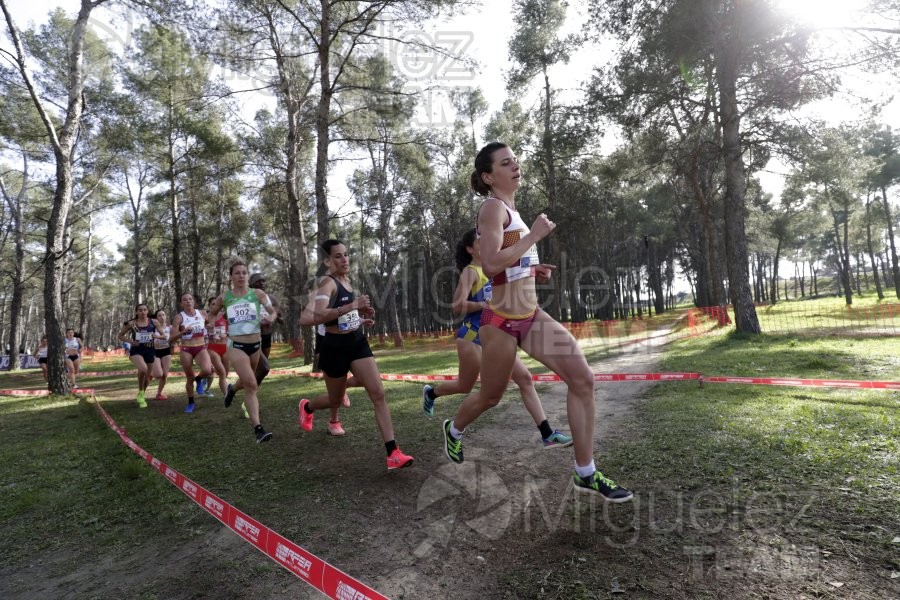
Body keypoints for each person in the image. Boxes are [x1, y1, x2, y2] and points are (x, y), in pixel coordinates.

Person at [441, 142, 632, 502]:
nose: (515, 166)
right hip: (498, 323)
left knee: (582, 378)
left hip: (530, 316)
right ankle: (455, 427)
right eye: (505, 163)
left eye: (515, 160)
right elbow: (491, 265)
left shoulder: (513, 210)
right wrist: (534, 236)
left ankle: (585, 472)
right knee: (490, 396)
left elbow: (506, 267)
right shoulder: (492, 208)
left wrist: (532, 267)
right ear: (488, 176)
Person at [423, 229, 573, 450]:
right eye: (480, 241)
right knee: (466, 386)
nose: (487, 243)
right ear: (470, 249)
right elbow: (456, 306)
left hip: (497, 333)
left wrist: (534, 273)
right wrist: (484, 304)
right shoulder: (471, 272)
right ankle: (432, 394)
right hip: (472, 335)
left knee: (525, 378)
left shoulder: (495, 269)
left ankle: (547, 433)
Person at [299, 239, 413, 470]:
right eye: (338, 256)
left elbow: (340, 318)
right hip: (334, 348)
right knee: (335, 399)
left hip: (356, 342)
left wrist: (359, 316)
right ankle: (308, 407)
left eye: (346, 255)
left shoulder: (348, 282)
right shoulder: (326, 284)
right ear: (327, 261)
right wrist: (352, 306)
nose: (345, 259)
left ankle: (393, 452)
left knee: (378, 392)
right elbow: (316, 316)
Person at [207, 257, 278, 443]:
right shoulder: (225, 297)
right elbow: (211, 314)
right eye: (237, 273)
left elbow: (273, 312)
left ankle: (231, 389)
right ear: (231, 276)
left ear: (247, 276)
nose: (241, 276)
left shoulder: (258, 294)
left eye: (244, 273)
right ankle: (258, 429)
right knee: (252, 385)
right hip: (236, 346)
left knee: (247, 382)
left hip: (255, 345)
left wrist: (269, 320)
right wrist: (212, 326)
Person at [221, 273, 275, 408]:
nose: (262, 283)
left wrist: (272, 318)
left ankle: (233, 389)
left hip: (266, 338)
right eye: (258, 281)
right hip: (249, 339)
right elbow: (226, 315)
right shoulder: (245, 297)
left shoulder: (269, 298)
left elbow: (277, 315)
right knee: (265, 368)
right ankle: (249, 397)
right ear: (251, 283)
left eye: (264, 280)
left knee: (257, 372)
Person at [169, 293, 213, 414]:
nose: (188, 301)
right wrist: (182, 332)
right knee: (189, 378)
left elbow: (207, 324)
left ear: (194, 302)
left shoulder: (202, 313)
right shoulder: (179, 317)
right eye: (184, 300)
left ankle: (199, 379)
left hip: (200, 347)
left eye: (190, 299)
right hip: (186, 349)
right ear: (181, 303)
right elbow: (171, 339)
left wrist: (209, 326)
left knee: (208, 370)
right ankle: (191, 402)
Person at [118, 304, 164, 408]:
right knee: (144, 369)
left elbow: (163, 335)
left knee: (147, 375)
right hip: (136, 350)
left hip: (150, 350)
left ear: (147, 311)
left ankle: (141, 394)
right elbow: (120, 336)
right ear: (136, 312)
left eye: (144, 310)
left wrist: (156, 336)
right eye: (140, 310)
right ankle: (140, 390)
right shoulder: (131, 324)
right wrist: (131, 341)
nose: (142, 312)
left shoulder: (154, 322)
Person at [205, 296, 230, 397]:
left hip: (225, 346)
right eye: (213, 304)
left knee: (225, 373)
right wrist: (208, 331)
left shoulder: (224, 315)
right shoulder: (205, 317)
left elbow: (231, 329)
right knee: (222, 373)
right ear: (209, 306)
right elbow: (198, 333)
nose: (216, 306)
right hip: (212, 347)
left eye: (217, 304)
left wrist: (226, 334)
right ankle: (227, 396)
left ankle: (208, 376)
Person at [152, 309, 173, 401]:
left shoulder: (170, 328)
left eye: (163, 315)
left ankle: (159, 393)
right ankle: (150, 373)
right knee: (158, 375)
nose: (162, 317)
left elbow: (173, 338)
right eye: (159, 315)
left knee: (164, 375)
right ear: (156, 318)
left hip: (166, 351)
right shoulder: (153, 328)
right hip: (155, 351)